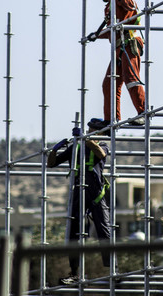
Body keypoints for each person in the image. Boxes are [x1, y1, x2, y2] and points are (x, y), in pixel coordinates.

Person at [47, 119, 111, 285]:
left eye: (94, 130)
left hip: (96, 193)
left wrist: (84, 138)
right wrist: (55, 150)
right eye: (89, 130)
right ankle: (74, 273)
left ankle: (113, 269)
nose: (90, 132)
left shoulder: (103, 145)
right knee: (73, 232)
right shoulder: (76, 147)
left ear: (101, 133)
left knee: (104, 230)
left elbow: (101, 154)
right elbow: (51, 163)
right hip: (78, 192)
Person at [86, 0, 146, 129]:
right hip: (119, 48)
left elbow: (132, 6)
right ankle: (111, 119)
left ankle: (143, 113)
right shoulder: (108, 8)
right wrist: (96, 35)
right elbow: (111, 31)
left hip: (130, 43)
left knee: (131, 78)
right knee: (109, 83)